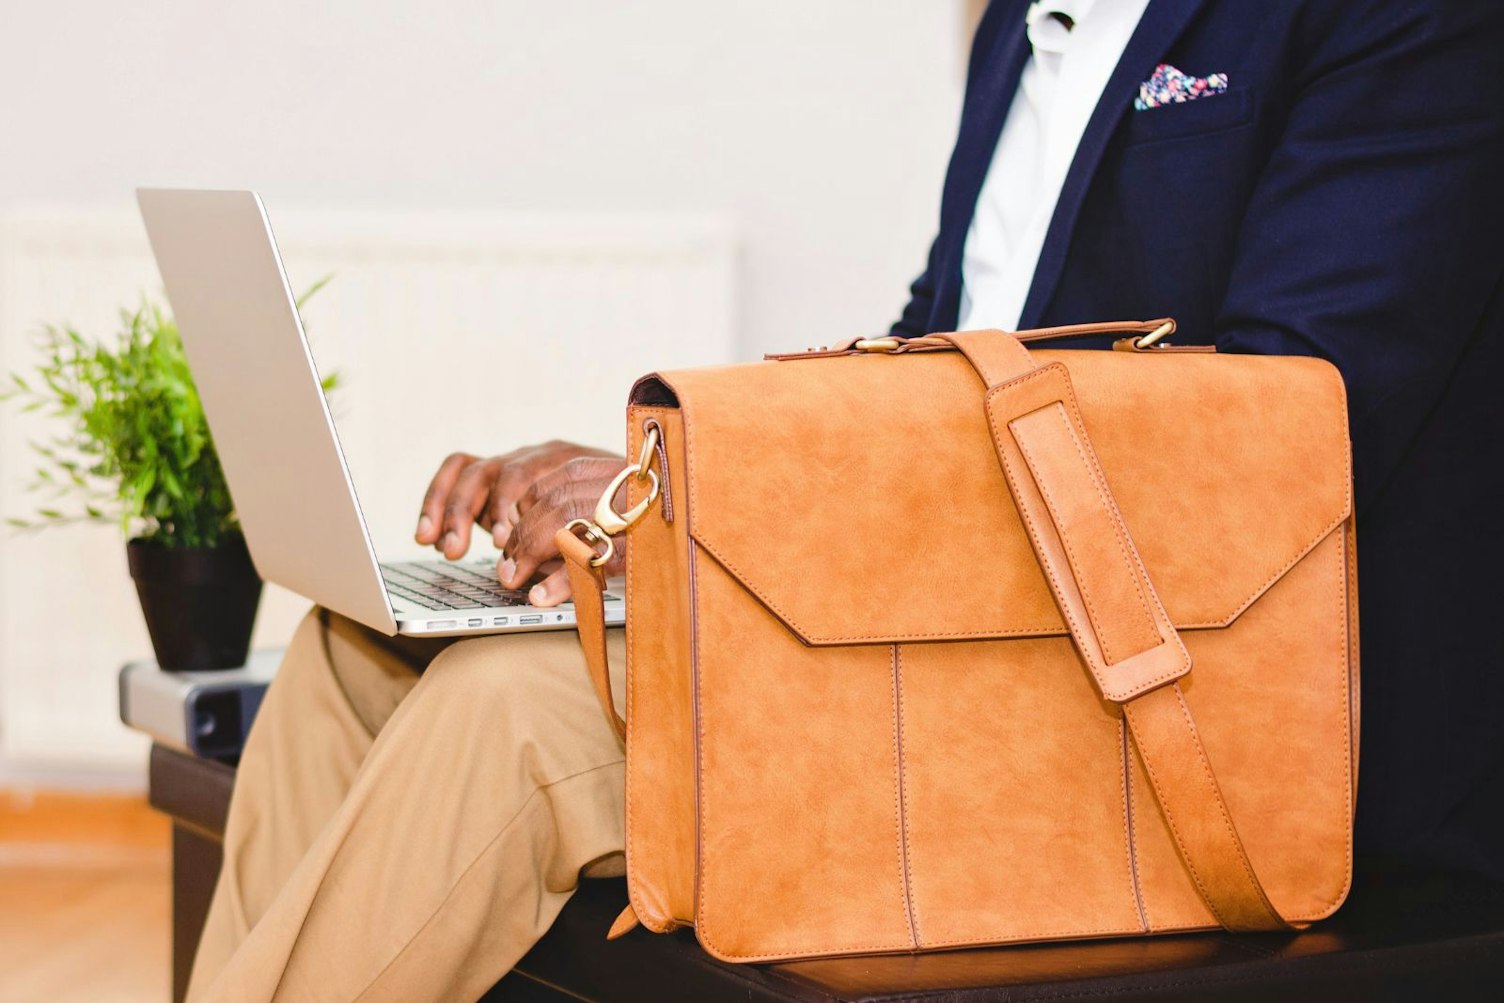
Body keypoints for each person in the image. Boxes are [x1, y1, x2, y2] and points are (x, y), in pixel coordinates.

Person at [188, 1, 1504, 999]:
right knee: (348, 658)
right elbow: (933, 351)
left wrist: (722, 502)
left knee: (508, 716)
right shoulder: (1015, 33)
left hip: (1171, 698)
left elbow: (1273, 440)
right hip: (960, 640)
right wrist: (662, 495)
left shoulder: (1403, 23)